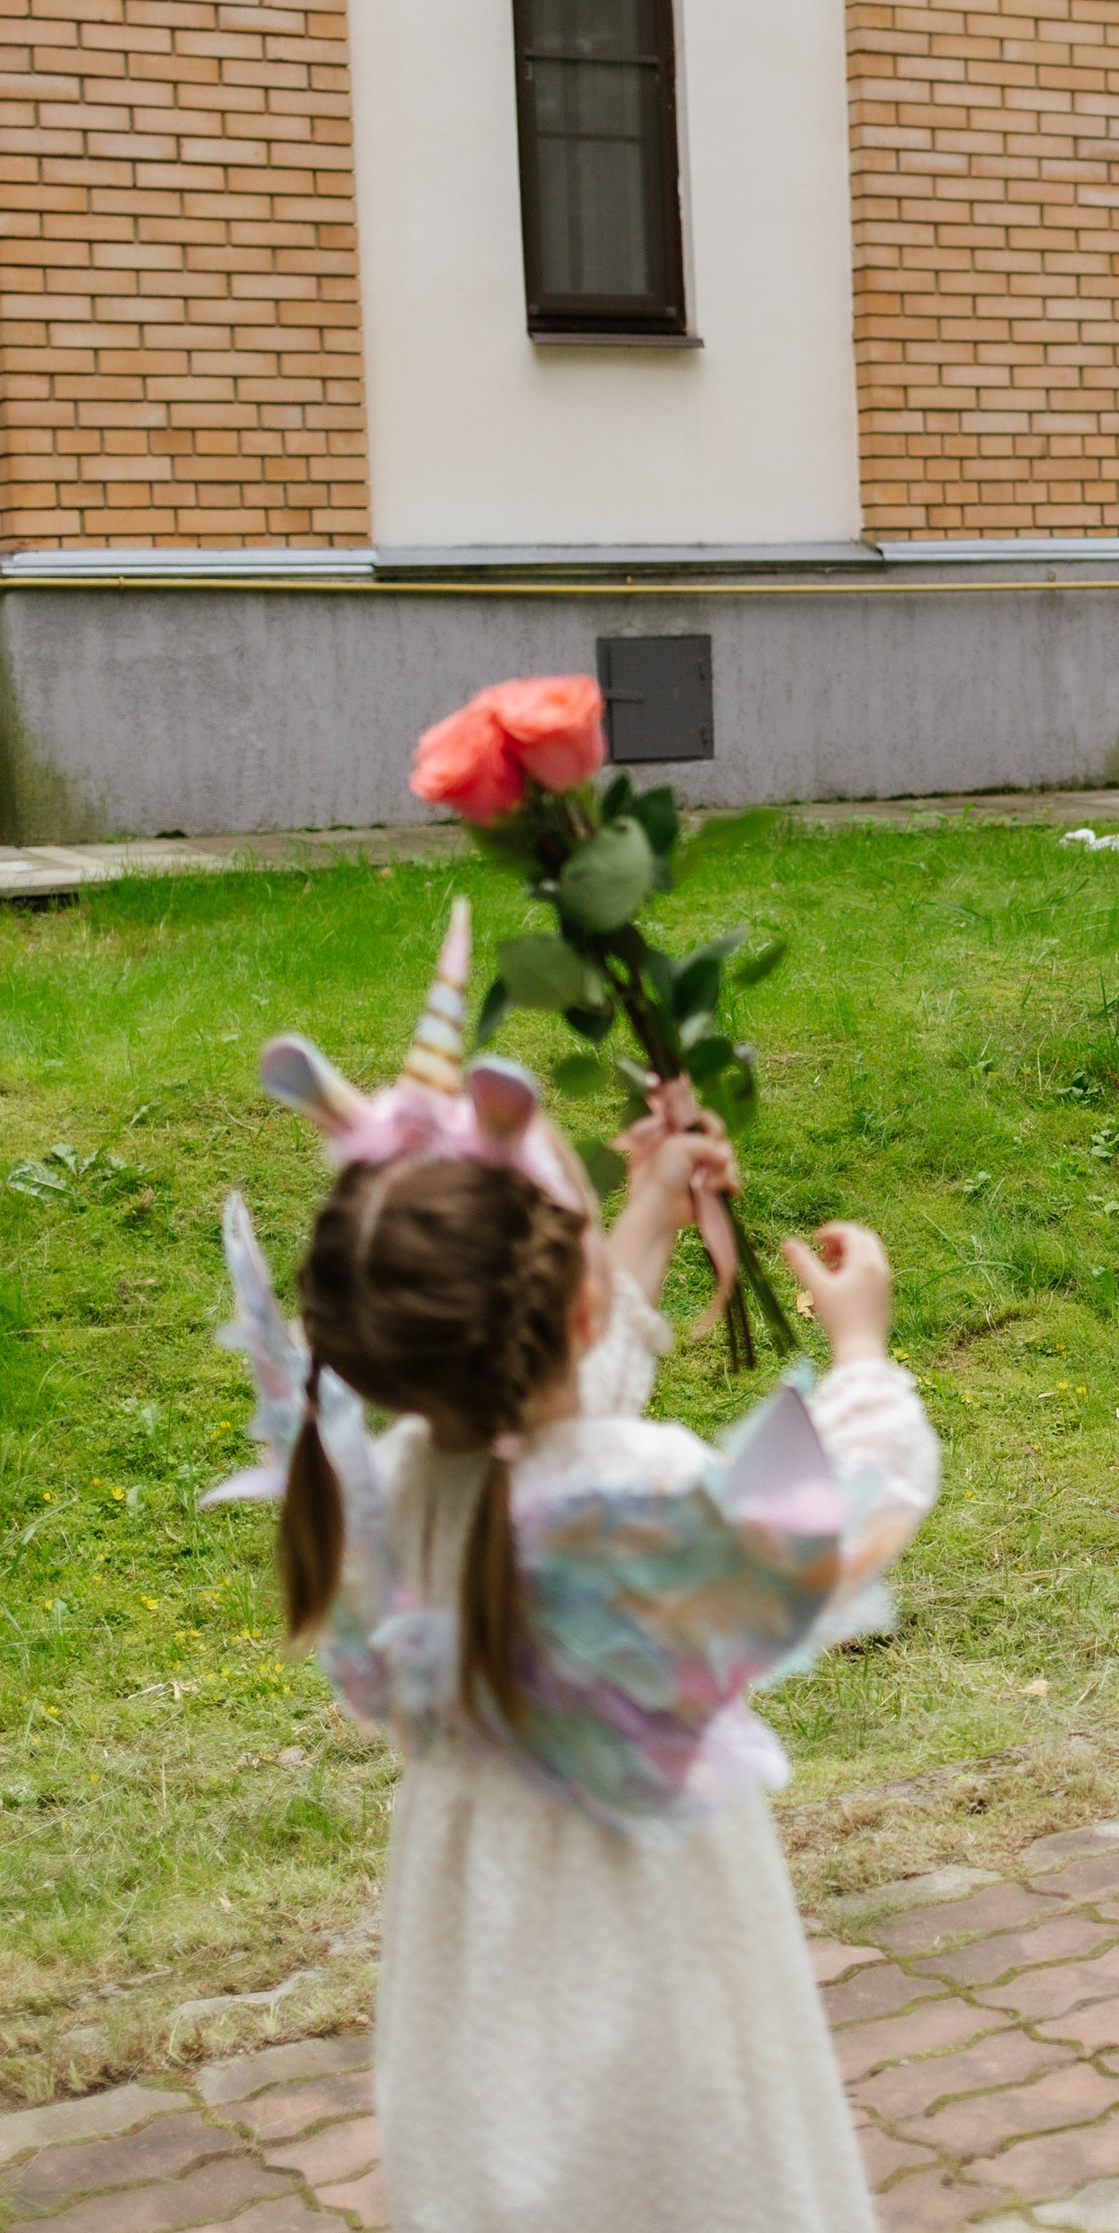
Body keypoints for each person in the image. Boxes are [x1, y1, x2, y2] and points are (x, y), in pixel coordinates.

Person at [215, 915, 939, 2231]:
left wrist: (649, 1211)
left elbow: (543, 1402)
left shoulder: (408, 1483)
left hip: (486, 1960)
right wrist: (863, 1359)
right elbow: (838, 1509)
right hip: (646, 1948)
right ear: (581, 1306)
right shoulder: (637, 1493)